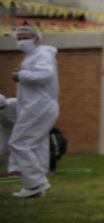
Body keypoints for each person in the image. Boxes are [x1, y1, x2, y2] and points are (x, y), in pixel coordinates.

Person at [8, 24, 60, 199]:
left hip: (39, 106)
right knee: (35, 144)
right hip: (37, 105)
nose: (22, 41)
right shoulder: (32, 57)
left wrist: (20, 76)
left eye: (26, 38)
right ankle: (34, 187)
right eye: (19, 38)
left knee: (19, 142)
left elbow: (45, 75)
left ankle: (36, 182)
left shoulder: (42, 54)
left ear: (37, 38)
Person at [0, 94, 18, 174]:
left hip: (20, 126)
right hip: (5, 128)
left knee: (17, 145)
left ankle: (16, 169)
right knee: (4, 148)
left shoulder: (14, 103)